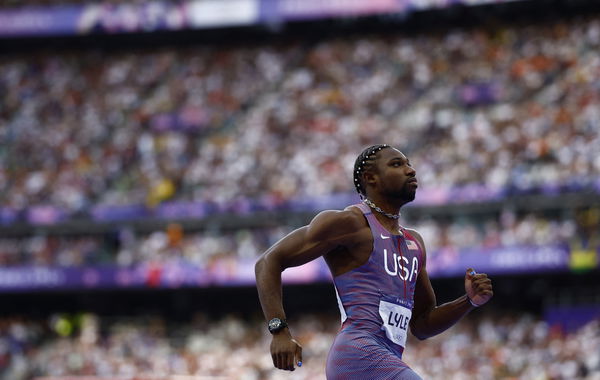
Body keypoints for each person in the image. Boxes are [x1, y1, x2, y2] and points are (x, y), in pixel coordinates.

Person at [255, 144, 493, 379]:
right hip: (358, 353)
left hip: (387, 358)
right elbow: (268, 262)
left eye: (409, 164)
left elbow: (422, 324)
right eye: (397, 164)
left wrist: (469, 301)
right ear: (371, 178)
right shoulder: (350, 223)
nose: (411, 171)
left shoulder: (415, 243)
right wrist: (279, 331)